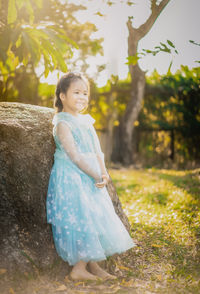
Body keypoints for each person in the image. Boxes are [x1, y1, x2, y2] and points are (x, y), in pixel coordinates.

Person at [46, 72, 137, 281]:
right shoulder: (62, 123)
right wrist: (96, 174)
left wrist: (104, 173)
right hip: (72, 177)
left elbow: (97, 151)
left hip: (90, 176)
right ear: (62, 96)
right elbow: (75, 156)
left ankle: (93, 266)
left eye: (85, 93)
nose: (82, 97)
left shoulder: (86, 120)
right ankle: (78, 269)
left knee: (95, 218)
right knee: (82, 220)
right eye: (76, 92)